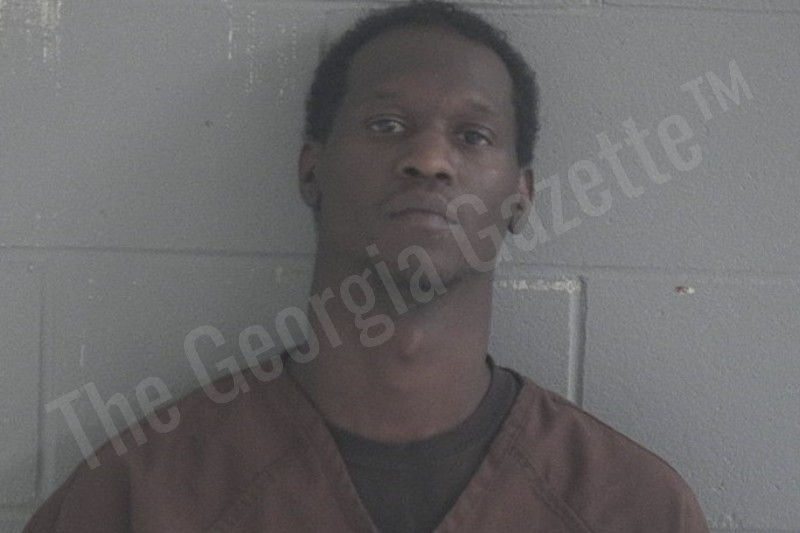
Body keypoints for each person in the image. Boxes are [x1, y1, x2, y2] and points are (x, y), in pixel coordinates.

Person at [23, 1, 710, 531]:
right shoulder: (145, 496)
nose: (430, 160)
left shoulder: (632, 506)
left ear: (520, 196)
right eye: (386, 125)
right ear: (311, 170)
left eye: (472, 135)